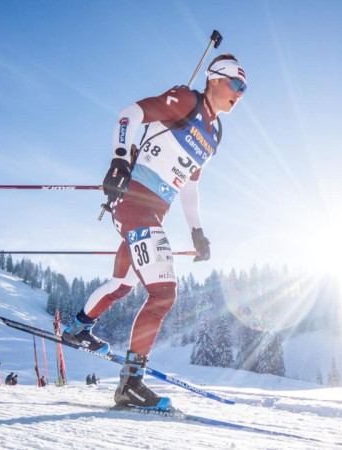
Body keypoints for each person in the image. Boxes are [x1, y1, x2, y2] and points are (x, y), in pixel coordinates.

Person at [62, 54, 246, 411]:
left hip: (155, 212)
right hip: (134, 204)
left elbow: (191, 185)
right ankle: (131, 383)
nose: (239, 93)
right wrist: (118, 159)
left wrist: (197, 231)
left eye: (244, 88)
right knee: (163, 294)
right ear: (214, 79)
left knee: (123, 284)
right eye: (235, 84)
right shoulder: (187, 100)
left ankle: (78, 328)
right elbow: (129, 113)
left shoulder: (215, 133)